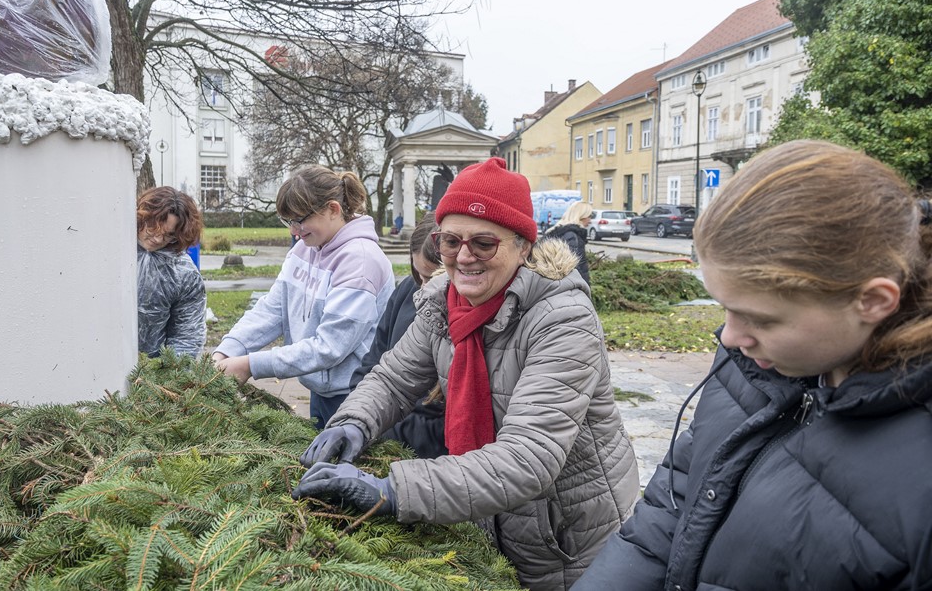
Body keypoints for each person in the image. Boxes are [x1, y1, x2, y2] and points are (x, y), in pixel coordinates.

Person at [574, 139, 932, 590]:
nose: (729, 337)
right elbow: (672, 508)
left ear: (873, 301)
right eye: (723, 307)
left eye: (760, 318)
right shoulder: (750, 366)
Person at [292, 157, 639, 590]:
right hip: (487, 522)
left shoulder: (563, 320)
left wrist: (393, 490)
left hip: (566, 542)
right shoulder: (442, 301)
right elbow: (394, 378)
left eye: (484, 243)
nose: (464, 257)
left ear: (523, 246)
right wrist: (352, 423)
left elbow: (528, 458)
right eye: (450, 241)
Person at [212, 165, 394, 429]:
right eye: (289, 221)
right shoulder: (304, 250)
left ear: (333, 209)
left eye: (300, 220)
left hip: (355, 395)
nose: (293, 231)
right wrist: (227, 350)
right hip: (321, 389)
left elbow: (329, 347)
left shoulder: (360, 261)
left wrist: (251, 364)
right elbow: (272, 310)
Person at [350, 211, 447, 458]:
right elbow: (371, 368)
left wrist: (384, 430)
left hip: (429, 458)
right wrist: (357, 419)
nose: (424, 290)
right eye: (419, 276)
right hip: (384, 436)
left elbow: (445, 426)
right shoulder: (407, 290)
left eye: (433, 279)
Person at [136, 186, 206, 358]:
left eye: (169, 235)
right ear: (142, 216)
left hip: (150, 375)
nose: (158, 239)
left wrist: (166, 377)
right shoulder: (109, 250)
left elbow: (187, 336)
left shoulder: (182, 273)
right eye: (154, 227)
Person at [544, 200, 594, 283]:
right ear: (581, 216)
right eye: (589, 216)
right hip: (573, 291)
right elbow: (575, 270)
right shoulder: (572, 237)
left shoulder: (561, 233)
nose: (590, 220)